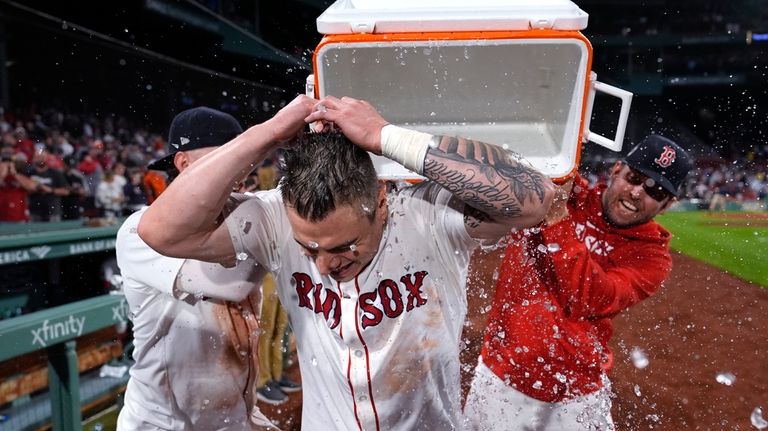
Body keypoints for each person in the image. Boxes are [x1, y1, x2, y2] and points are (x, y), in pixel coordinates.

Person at [137, 95, 555, 430]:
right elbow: (161, 232)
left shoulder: (426, 214)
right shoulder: (275, 219)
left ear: (380, 200)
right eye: (310, 248)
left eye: (343, 246)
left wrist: (385, 136)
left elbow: (536, 198)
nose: (323, 266)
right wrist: (269, 133)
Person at [463, 135, 694, 430]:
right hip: (503, 376)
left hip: (578, 394)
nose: (637, 192)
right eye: (634, 178)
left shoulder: (652, 256)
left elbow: (591, 298)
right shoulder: (567, 194)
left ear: (667, 205)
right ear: (616, 171)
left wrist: (558, 221)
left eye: (655, 191)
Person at [115, 106, 277, 430]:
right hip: (163, 424)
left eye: (242, 159)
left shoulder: (241, 215)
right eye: (225, 158)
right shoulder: (138, 230)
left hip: (234, 416)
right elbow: (231, 283)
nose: (237, 171)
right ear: (183, 164)